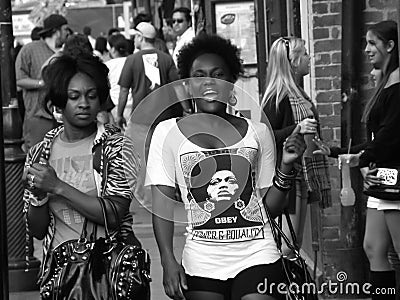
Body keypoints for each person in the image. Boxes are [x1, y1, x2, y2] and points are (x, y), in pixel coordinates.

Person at [146, 34, 306, 300]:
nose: (209, 82)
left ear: (232, 81)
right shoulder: (167, 133)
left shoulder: (258, 132)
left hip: (258, 252)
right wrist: (167, 261)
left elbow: (269, 207)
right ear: (188, 84)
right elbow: (161, 203)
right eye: (199, 75)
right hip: (202, 260)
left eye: (218, 74)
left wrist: (286, 167)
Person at [22, 53, 140, 289]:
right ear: (58, 101)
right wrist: (38, 195)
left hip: (110, 274)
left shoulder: (115, 146)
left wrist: (57, 187)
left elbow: (113, 214)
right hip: (61, 275)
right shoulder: (39, 153)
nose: (84, 103)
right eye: (74, 97)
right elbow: (36, 230)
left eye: (91, 95)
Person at [314, 20, 400, 299]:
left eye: (372, 43)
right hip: (382, 180)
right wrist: (340, 153)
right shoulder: (388, 84)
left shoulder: (397, 86)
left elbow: (388, 140)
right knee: (374, 248)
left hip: (395, 181)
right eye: (365, 42)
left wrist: (354, 158)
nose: (366, 49)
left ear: (390, 46)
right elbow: (379, 142)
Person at [261, 37, 331, 254]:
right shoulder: (278, 97)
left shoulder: (297, 93)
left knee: (295, 243)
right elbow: (266, 137)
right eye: (305, 54)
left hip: (301, 177)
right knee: (287, 245)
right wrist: (297, 127)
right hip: (286, 180)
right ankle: (282, 286)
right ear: (293, 61)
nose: (310, 58)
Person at [117, 21, 181, 208]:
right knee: (164, 157)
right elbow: (177, 86)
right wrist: (186, 108)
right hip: (165, 117)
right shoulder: (166, 58)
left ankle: (147, 200)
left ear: (140, 37)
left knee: (140, 160)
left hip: (140, 119)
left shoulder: (132, 60)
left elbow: (123, 91)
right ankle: (169, 193)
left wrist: (119, 114)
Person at [15, 14, 70, 152]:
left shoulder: (66, 52)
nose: (67, 33)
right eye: (65, 29)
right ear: (56, 31)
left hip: (64, 117)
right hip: (38, 116)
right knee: (37, 159)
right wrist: (42, 83)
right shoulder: (30, 50)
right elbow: (19, 79)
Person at [105, 33, 133, 121]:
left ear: (113, 49)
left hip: (115, 107)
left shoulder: (107, 66)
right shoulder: (132, 62)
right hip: (133, 106)